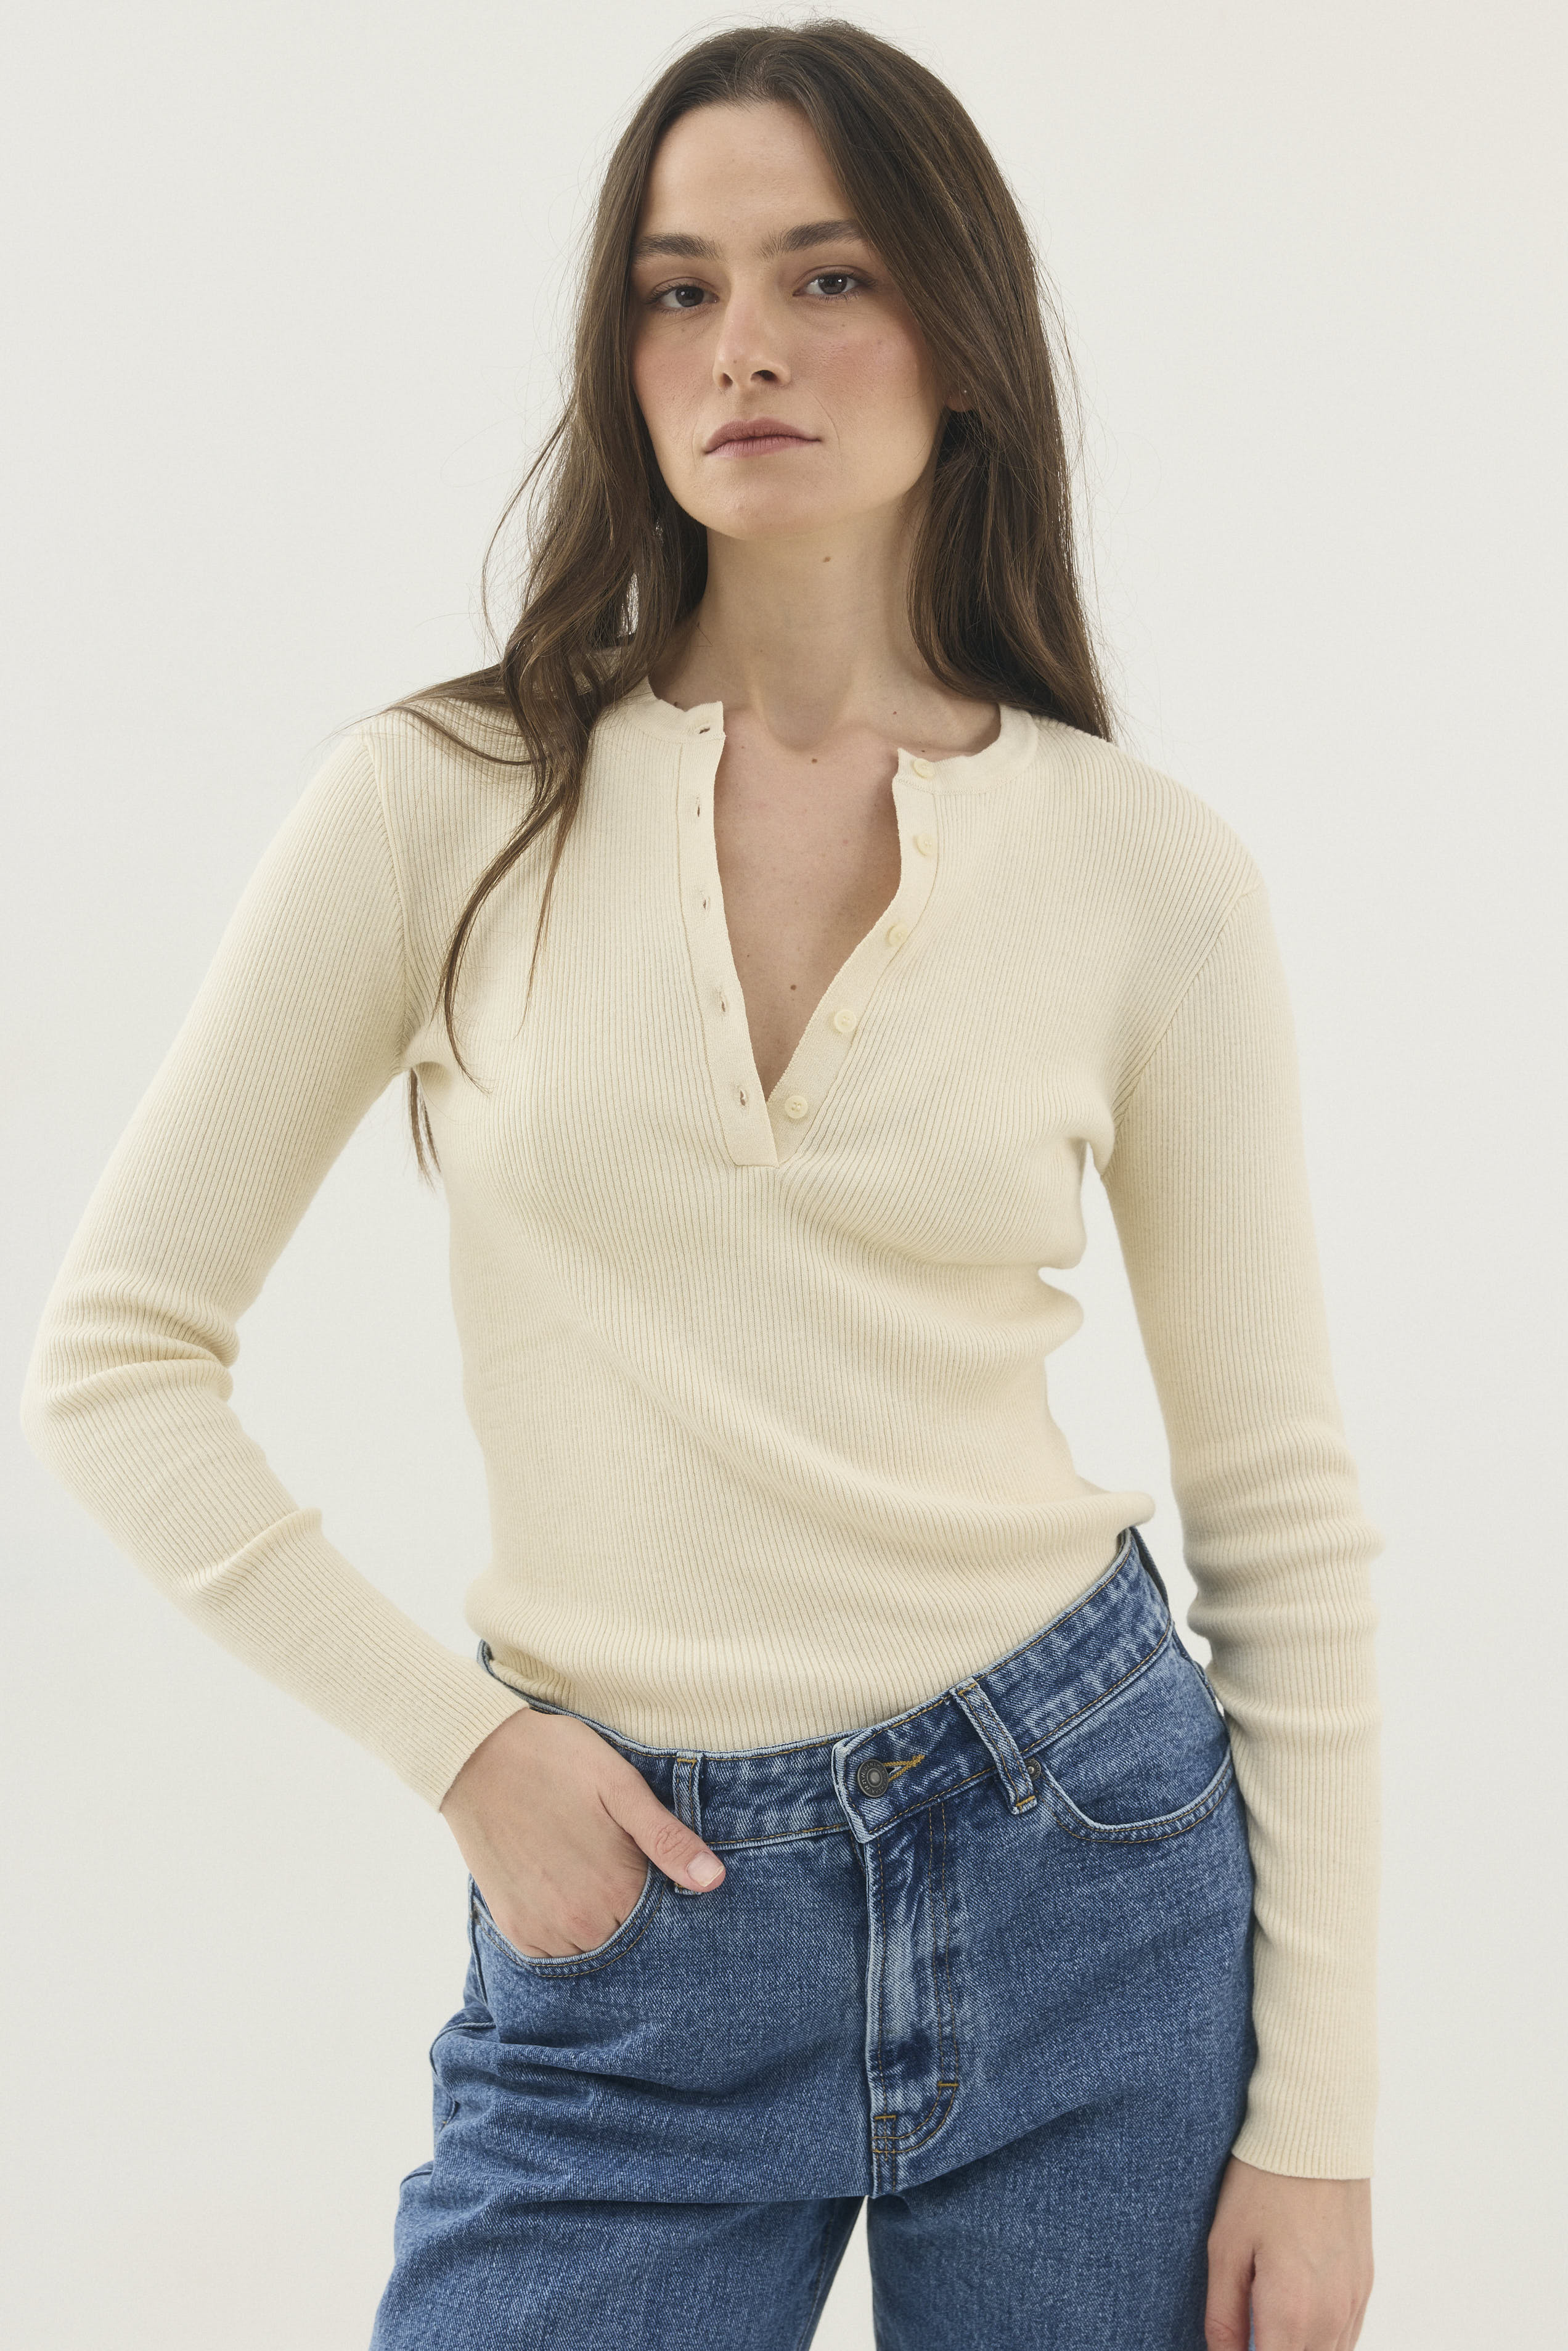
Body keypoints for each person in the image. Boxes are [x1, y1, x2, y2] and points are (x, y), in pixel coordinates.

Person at [18, 21, 1381, 2351]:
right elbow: (117, 1359)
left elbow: (1282, 1511)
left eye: (826, 275)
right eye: (678, 289)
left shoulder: (1149, 877)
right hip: (634, 1928)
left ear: (961, 336)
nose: (743, 342)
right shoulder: (443, 804)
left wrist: (1321, 2124)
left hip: (1089, 1875)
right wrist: (464, 1751)